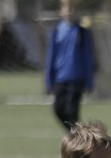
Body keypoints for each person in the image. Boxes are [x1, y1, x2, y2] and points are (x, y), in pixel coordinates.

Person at [44, 0, 96, 131]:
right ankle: (79, 136)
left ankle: (78, 140)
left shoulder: (82, 32)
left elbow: (88, 58)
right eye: (67, 8)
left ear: (77, 11)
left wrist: (89, 82)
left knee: (73, 111)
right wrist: (49, 81)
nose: (69, 11)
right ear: (61, 10)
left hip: (77, 79)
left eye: (72, 8)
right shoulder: (56, 31)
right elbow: (51, 57)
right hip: (60, 78)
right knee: (58, 109)